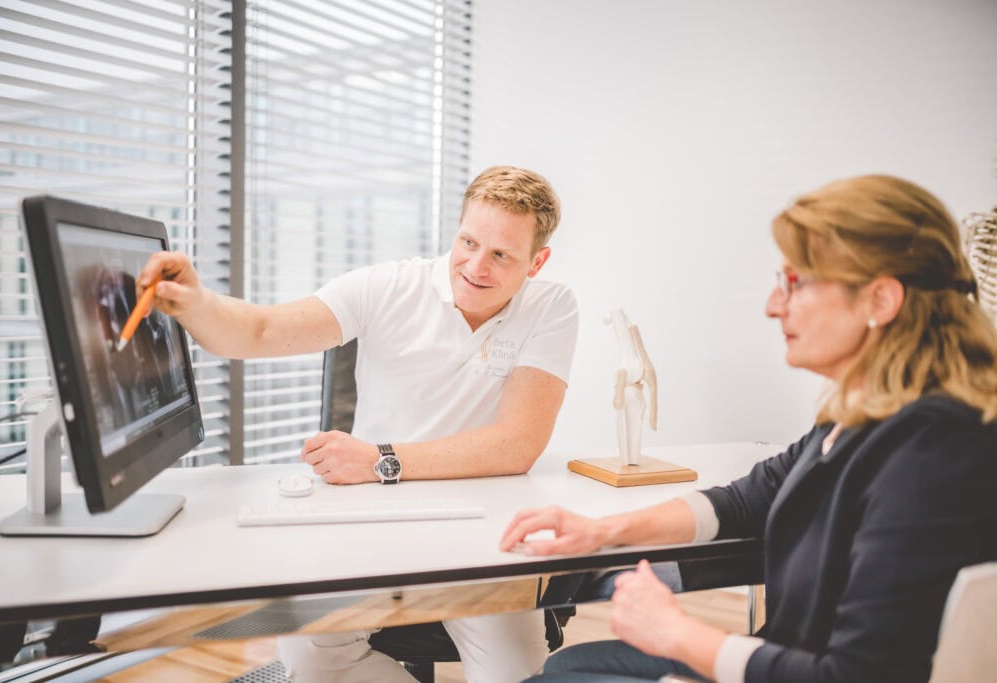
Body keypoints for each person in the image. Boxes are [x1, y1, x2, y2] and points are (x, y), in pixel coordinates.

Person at [500, 174, 997, 683]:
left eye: (795, 283)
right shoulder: (861, 416)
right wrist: (603, 531)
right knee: (569, 665)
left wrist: (677, 633)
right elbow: (747, 501)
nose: (772, 305)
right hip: (786, 656)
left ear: (880, 300)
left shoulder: (933, 452)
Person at [137, 166, 578, 683]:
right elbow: (258, 331)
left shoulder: (552, 306)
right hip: (375, 521)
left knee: (518, 674)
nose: (475, 266)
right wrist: (195, 301)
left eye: (501, 254)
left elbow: (517, 444)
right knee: (309, 656)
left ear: (536, 262)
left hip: (483, 530)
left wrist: (379, 459)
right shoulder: (387, 286)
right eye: (468, 242)